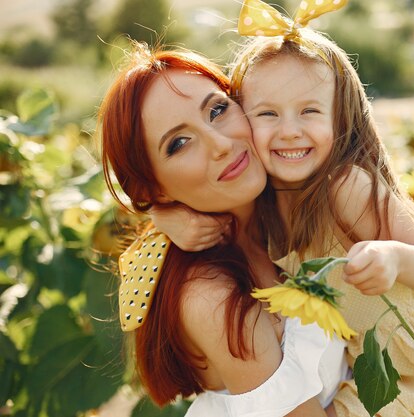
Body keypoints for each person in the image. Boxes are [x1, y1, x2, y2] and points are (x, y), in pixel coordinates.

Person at [151, 1, 414, 416]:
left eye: (310, 112)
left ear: (340, 119)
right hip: (368, 371)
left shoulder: (345, 187)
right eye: (267, 114)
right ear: (244, 118)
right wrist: (162, 214)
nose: (290, 131)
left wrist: (392, 257)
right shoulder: (266, 200)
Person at [98, 44, 350, 417]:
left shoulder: (288, 208)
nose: (221, 144)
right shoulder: (210, 297)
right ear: (154, 189)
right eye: (179, 144)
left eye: (217, 110)